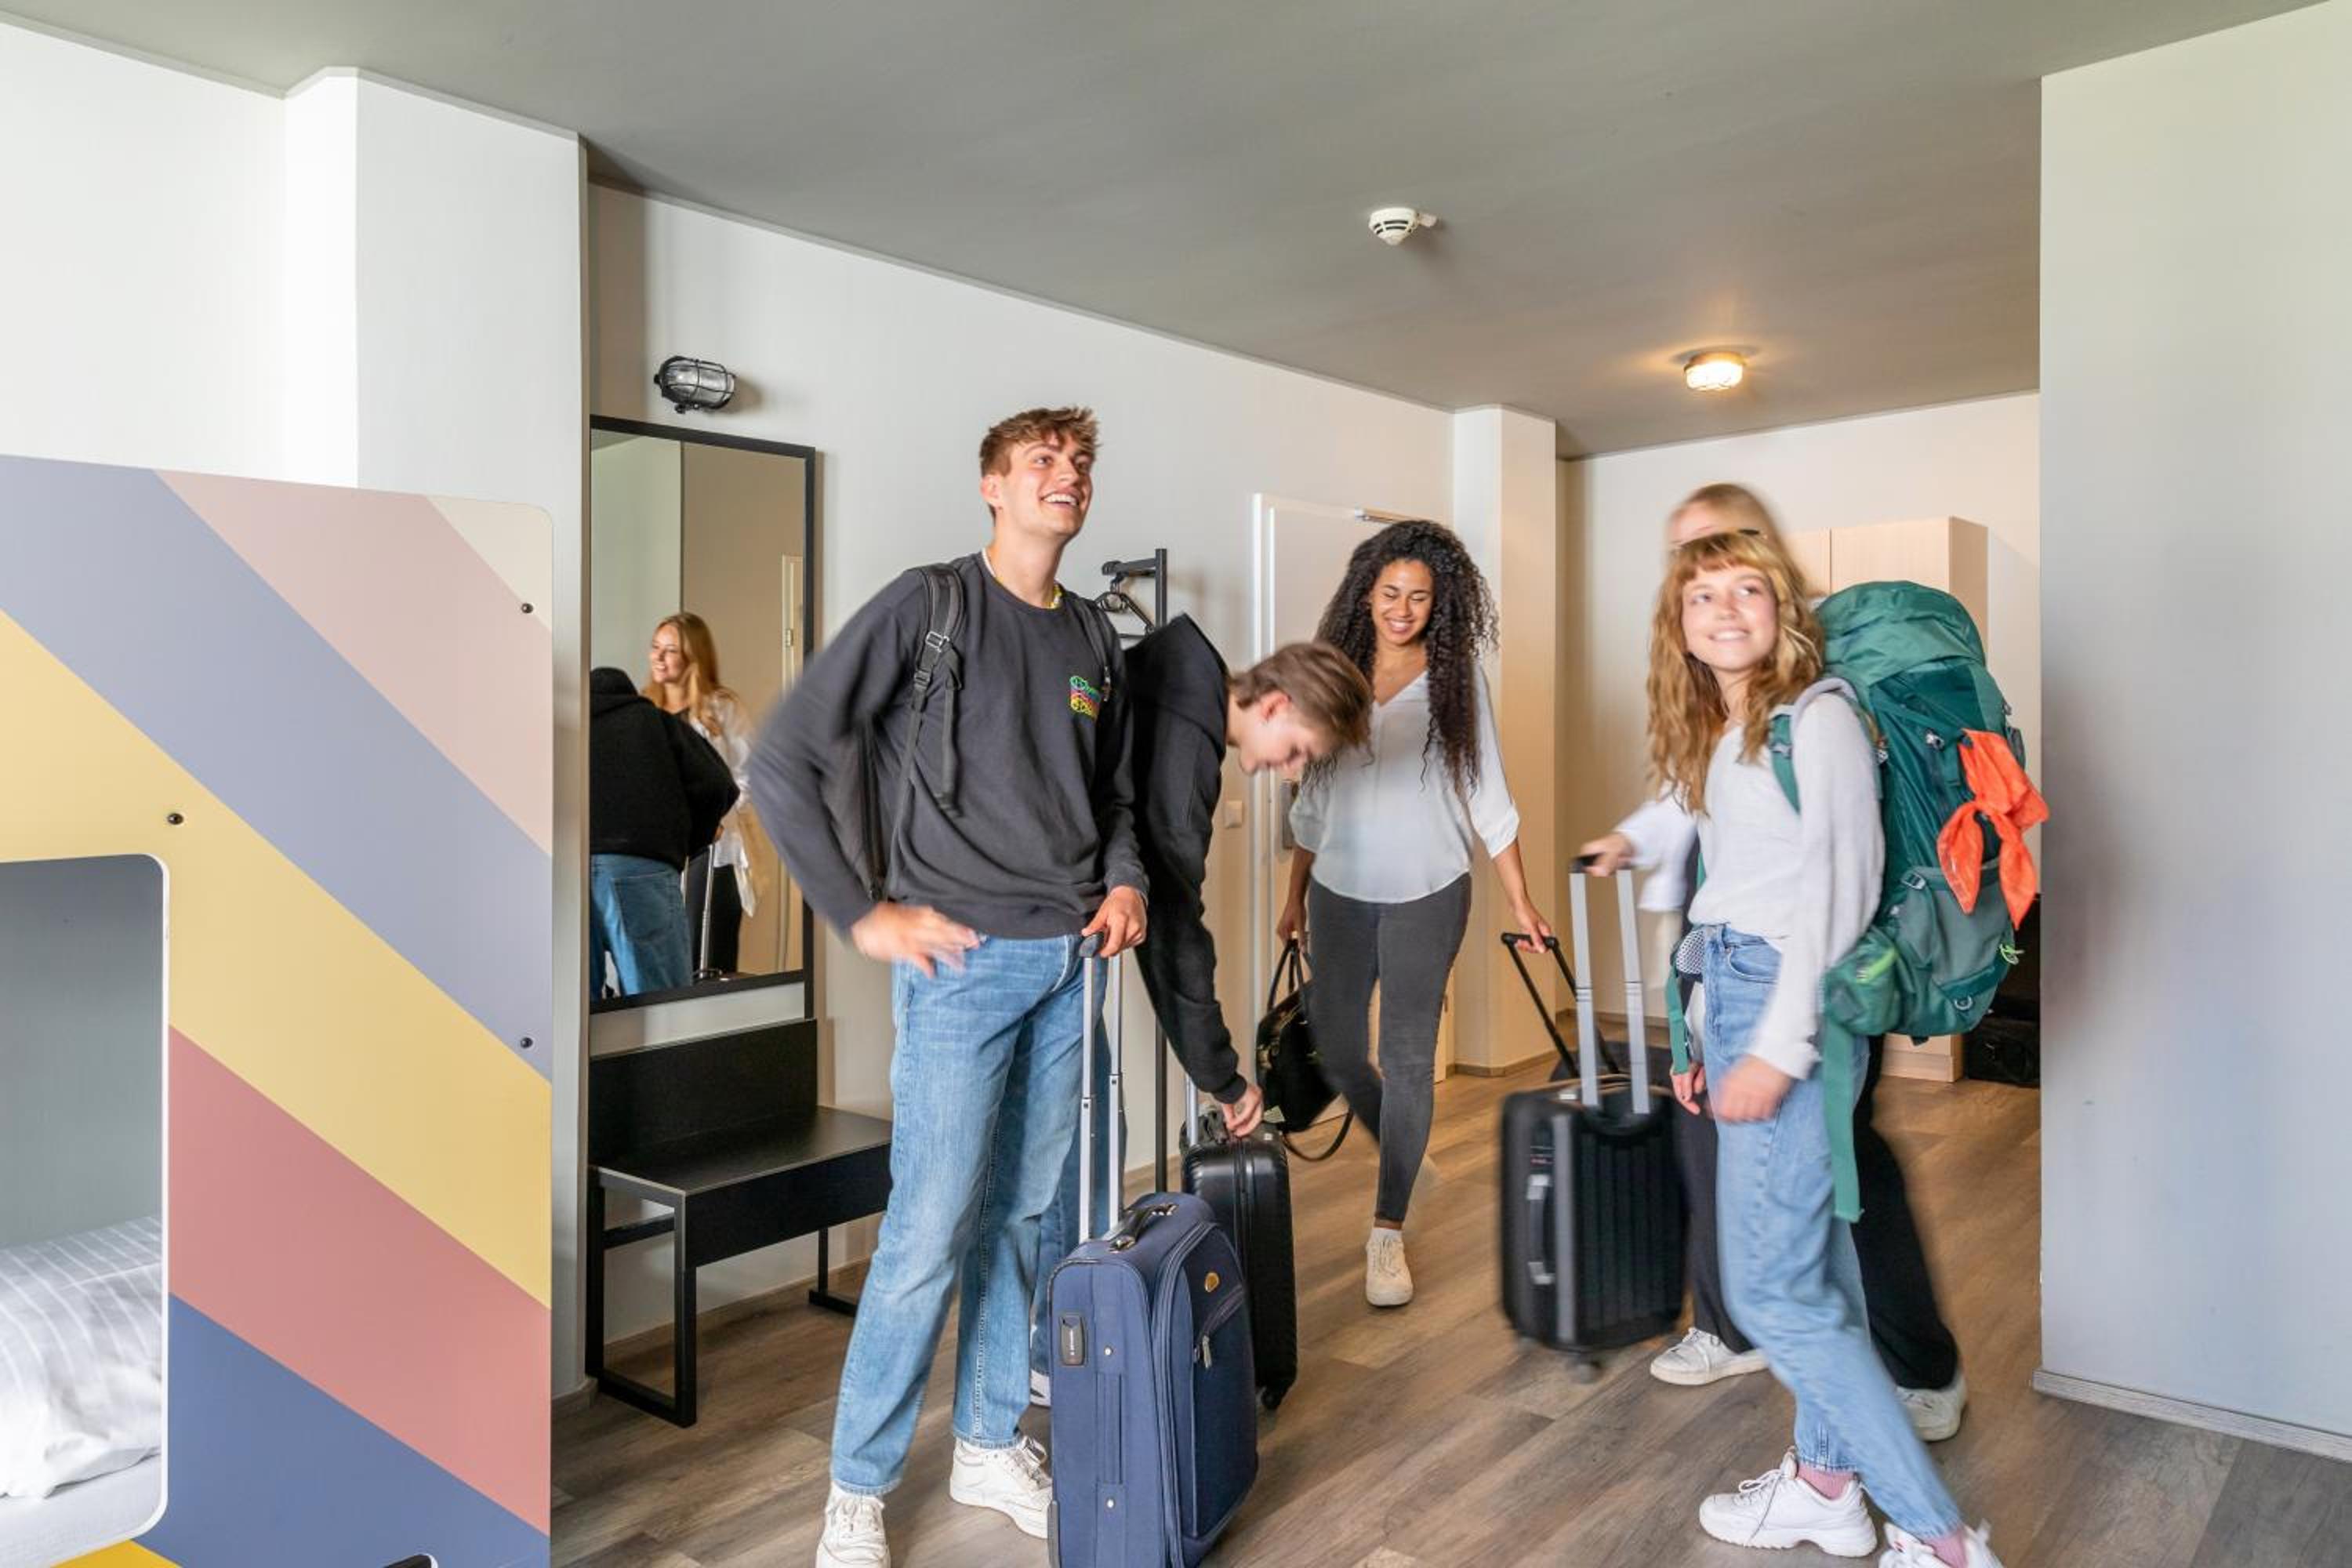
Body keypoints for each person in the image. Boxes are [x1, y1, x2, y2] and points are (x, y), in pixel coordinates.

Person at [748, 406, 1145, 1568]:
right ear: (992, 486)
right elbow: (782, 756)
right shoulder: (931, 605)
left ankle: (985, 1440)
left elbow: (1114, 796)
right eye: (1042, 461)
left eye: (1079, 464)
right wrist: (860, 912)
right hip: (960, 966)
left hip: (1069, 962)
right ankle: (857, 1490)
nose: (1066, 477)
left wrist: (1125, 878)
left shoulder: (1095, 636)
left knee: (1022, 1216)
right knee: (926, 1230)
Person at [1595, 526, 2002, 1567]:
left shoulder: (1817, 719)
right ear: (1678, 623)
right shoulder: (1726, 724)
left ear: (1784, 609)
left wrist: (1780, 1047)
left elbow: (1839, 891)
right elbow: (1722, 865)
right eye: (1702, 596)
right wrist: (1698, 1025)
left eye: (1747, 590)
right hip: (1737, 989)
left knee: (1774, 1291)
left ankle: (1941, 1541)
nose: (1724, 610)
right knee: (1817, 1270)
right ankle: (1825, 1485)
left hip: (1792, 1002)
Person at [1029, 630, 1375, 1398]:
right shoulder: (1187, 747)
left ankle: (1053, 1350)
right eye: (1298, 751)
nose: (1290, 770)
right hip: (1044, 924)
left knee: (1084, 1139)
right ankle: (1054, 1356)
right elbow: (1174, 925)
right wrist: (1224, 1076)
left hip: (1044, 908)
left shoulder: (1178, 668)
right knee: (1080, 1147)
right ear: (1274, 704)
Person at [1276, 520, 1552, 1308]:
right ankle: (1405, 1146)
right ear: (1366, 593)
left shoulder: (1457, 679)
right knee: (1336, 1046)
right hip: (1339, 888)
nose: (1403, 609)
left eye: (1419, 597)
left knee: (1406, 1057)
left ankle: (1387, 1230)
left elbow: (1488, 791)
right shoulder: (1335, 669)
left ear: (1441, 604)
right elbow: (1315, 796)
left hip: (1430, 888)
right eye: (1391, 592)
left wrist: (1520, 896)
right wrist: (1294, 893)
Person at [587, 666, 738, 998]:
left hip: (566, 868)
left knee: (574, 1009)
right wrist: (690, 842)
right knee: (659, 1003)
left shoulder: (566, 729)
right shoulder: (658, 723)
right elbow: (718, 784)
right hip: (641, 867)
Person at [646, 611, 757, 975]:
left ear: (693, 657)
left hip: (711, 849)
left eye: (670, 650)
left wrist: (717, 821)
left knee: (705, 953)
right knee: (661, 955)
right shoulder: (644, 710)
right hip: (661, 850)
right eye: (655, 647)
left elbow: (749, 776)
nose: (658, 657)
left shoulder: (722, 708)